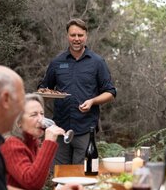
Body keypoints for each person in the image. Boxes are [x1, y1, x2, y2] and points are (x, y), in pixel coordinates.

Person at [39, 18, 116, 164]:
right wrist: (46, 93)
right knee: (60, 175)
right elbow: (43, 88)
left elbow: (110, 92)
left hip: (85, 129)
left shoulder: (97, 62)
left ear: (86, 36)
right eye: (73, 35)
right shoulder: (57, 62)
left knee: (83, 176)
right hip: (60, 128)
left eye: (80, 35)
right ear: (67, 36)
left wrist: (92, 101)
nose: (76, 39)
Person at [0, 93, 66, 190]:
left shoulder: (32, 142)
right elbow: (32, 183)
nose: (41, 119)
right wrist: (48, 143)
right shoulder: (11, 144)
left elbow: (39, 177)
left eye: (42, 114)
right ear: (19, 122)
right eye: (34, 115)